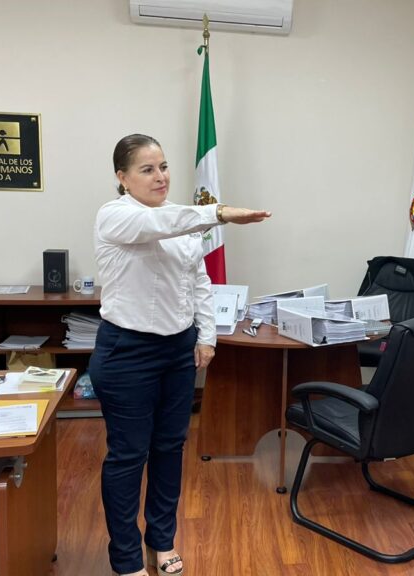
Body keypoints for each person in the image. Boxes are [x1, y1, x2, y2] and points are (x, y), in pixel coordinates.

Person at [90, 133, 270, 576]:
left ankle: (162, 541)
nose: (161, 176)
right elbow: (159, 226)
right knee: (129, 455)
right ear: (122, 177)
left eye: (164, 166)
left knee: (170, 448)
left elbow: (199, 282)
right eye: (147, 169)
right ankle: (127, 557)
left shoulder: (183, 219)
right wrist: (220, 212)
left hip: (176, 350)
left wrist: (206, 335)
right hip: (126, 352)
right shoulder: (116, 215)